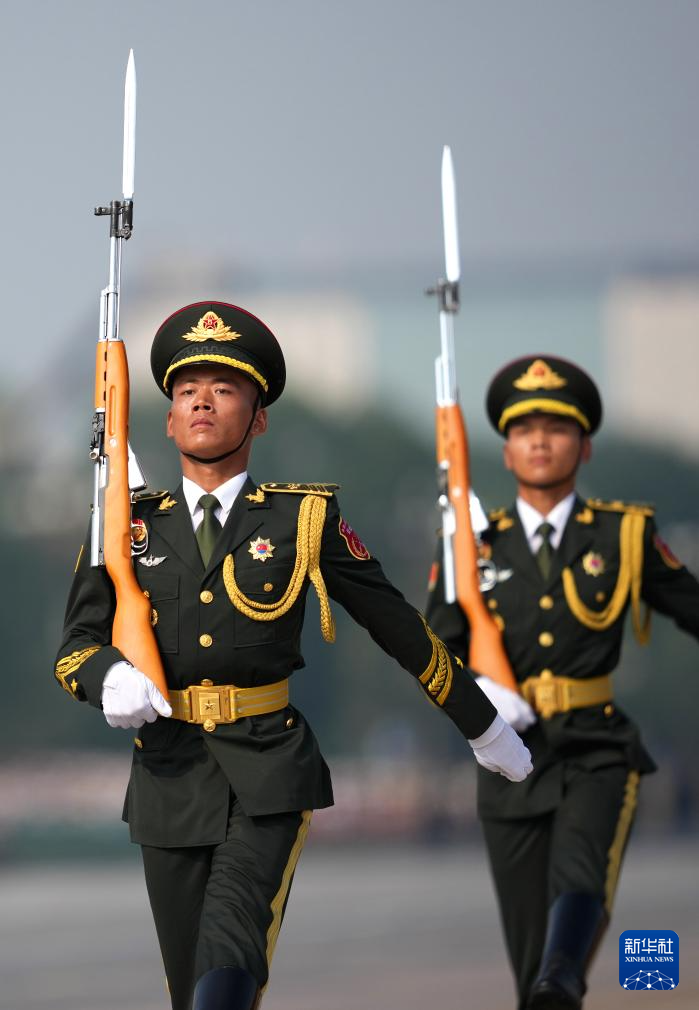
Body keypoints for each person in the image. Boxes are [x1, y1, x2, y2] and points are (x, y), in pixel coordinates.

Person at [55, 301, 532, 1010]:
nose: (202, 403)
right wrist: (108, 677)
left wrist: (481, 725)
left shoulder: (302, 518)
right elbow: (75, 647)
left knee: (229, 956)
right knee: (193, 989)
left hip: (267, 773)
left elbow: (396, 625)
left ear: (259, 418)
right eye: (186, 391)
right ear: (168, 420)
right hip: (168, 779)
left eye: (224, 389)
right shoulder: (125, 524)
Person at [426, 354, 699, 1010]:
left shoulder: (623, 534)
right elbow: (433, 649)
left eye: (557, 428)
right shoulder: (471, 545)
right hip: (508, 756)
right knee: (529, 948)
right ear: (505, 450)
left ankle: (563, 979)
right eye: (525, 430)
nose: (541, 442)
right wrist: (479, 698)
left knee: (580, 883)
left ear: (585, 445)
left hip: (595, 747)